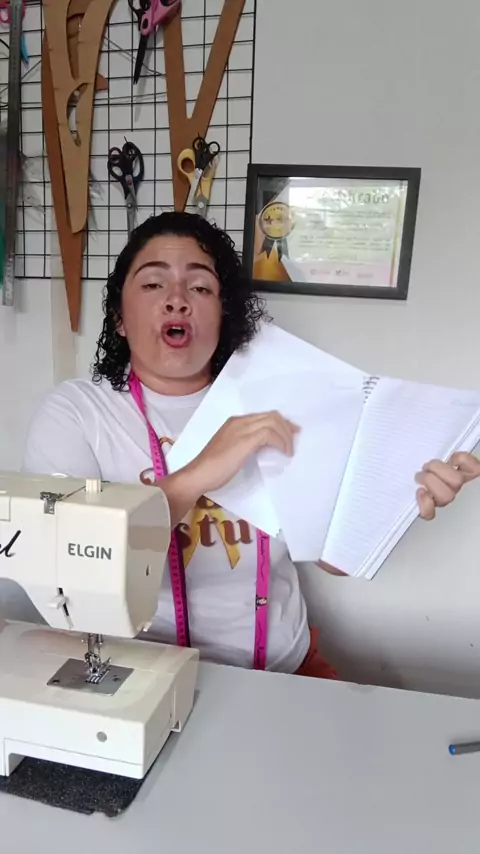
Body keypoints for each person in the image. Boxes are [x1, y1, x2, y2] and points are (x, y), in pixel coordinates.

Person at [22, 212, 480, 677]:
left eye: (201, 288)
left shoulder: (280, 402)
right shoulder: (77, 412)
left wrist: (396, 499)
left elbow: (332, 558)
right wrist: (199, 474)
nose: (177, 299)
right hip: (140, 674)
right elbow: (65, 568)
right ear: (120, 317)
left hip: (286, 669)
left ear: (224, 316)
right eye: (154, 284)